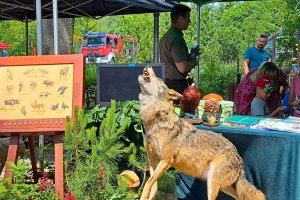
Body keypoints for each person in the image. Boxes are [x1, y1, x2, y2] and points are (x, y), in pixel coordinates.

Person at [160, 4, 199, 94]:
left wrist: (192, 54)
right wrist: (195, 62)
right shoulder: (177, 38)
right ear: (181, 19)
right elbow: (183, 68)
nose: (190, 21)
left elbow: (174, 62)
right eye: (188, 17)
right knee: (180, 108)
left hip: (167, 83)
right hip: (177, 86)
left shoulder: (166, 37)